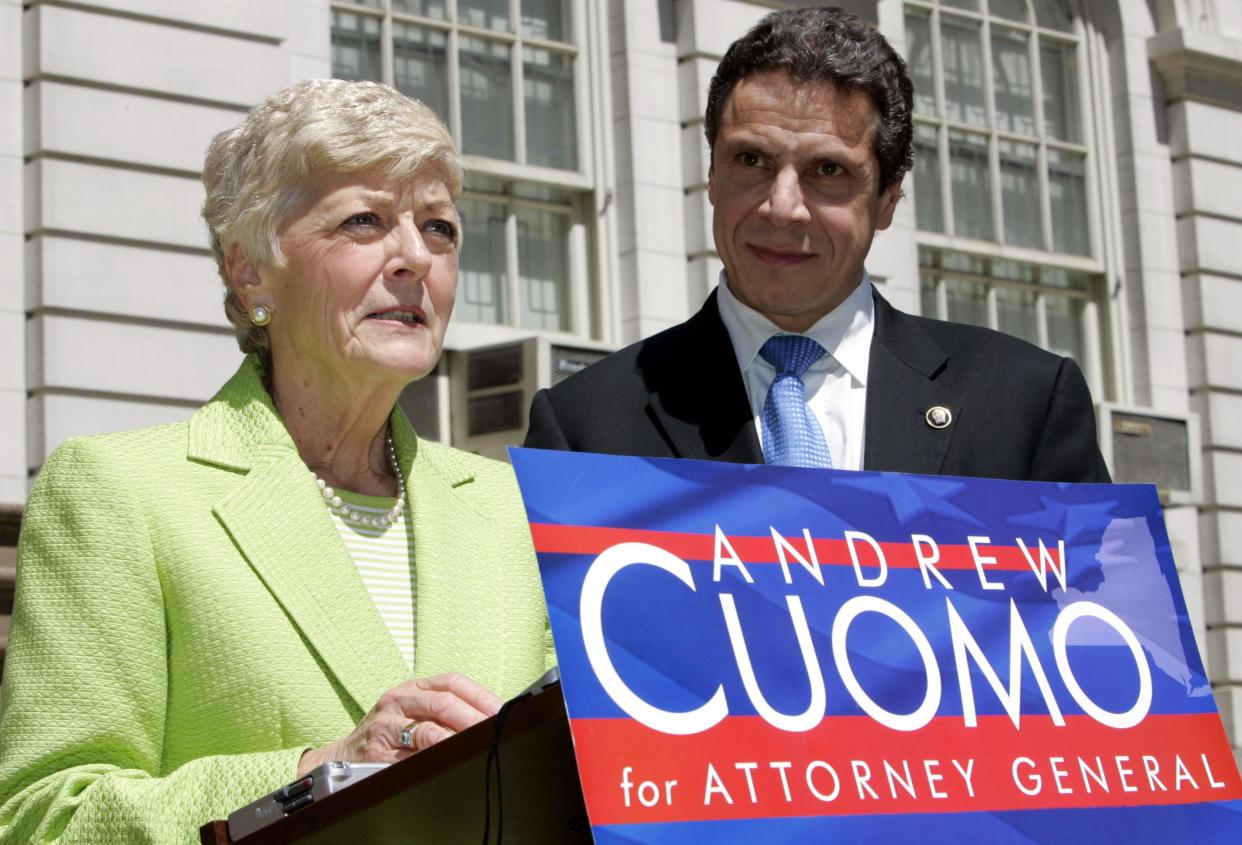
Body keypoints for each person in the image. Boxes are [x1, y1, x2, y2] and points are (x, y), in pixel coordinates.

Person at [0, 79, 552, 843]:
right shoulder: (117, 490)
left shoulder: (513, 506)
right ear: (251, 270)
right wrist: (320, 770)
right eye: (364, 221)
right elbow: (45, 817)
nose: (415, 258)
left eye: (439, 229)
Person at [525, 6, 1110, 484]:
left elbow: (1098, 622)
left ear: (887, 201)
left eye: (828, 171)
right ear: (711, 177)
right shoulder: (583, 428)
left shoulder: (1025, 404)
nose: (782, 207)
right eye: (750, 160)